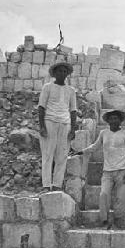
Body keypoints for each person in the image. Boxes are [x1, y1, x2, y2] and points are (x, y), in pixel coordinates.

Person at [76, 110, 125, 229]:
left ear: (120, 120)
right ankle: (104, 220)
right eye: (111, 118)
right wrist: (82, 151)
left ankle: (118, 219)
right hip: (107, 171)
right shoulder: (103, 133)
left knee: (121, 197)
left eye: (116, 118)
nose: (113, 121)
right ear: (108, 121)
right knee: (103, 194)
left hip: (122, 170)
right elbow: (95, 146)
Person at [38, 62, 78, 192]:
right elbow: (41, 107)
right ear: (54, 73)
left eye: (64, 71)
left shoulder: (71, 90)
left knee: (62, 156)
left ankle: (57, 185)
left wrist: (73, 129)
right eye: (59, 71)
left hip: (65, 123)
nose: (62, 73)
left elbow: (73, 110)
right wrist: (42, 126)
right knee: (47, 154)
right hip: (49, 121)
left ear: (67, 74)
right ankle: (46, 185)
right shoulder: (47, 87)